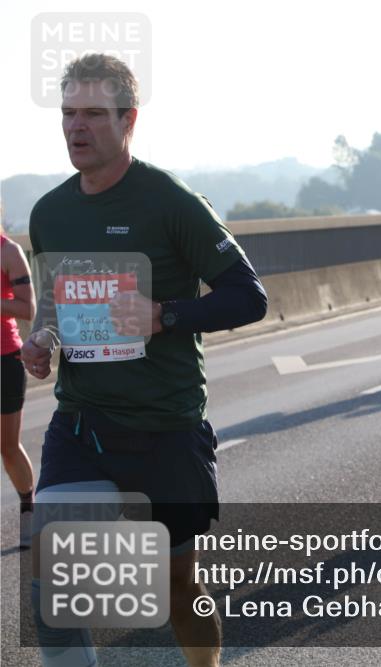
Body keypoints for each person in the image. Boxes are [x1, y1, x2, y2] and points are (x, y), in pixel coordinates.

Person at [23, 53, 267, 667]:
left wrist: (164, 316)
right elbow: (56, 296)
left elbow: (249, 296)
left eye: (94, 115)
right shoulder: (50, 212)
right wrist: (42, 340)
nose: (77, 127)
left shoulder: (169, 201)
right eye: (68, 114)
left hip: (165, 424)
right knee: (56, 586)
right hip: (83, 422)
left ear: (128, 120)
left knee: (179, 584)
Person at [1, 227, 36, 548]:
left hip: (4, 359)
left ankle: (28, 507)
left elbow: (28, 309)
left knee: (7, 447)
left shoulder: (8, 251)